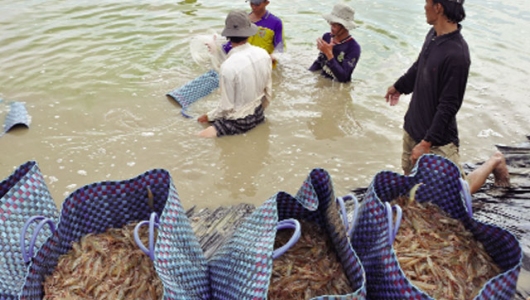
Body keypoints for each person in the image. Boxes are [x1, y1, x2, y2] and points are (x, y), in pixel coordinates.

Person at [384, 0, 509, 193]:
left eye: (427, 2)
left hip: (438, 140)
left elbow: (449, 105)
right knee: (411, 183)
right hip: (413, 126)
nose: (424, 6)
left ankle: (495, 161)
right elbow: (420, 67)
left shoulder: (457, 54)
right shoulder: (433, 34)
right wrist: (399, 86)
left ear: (438, 7)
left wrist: (427, 143)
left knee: (459, 192)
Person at [197, 10, 272, 138]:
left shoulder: (228, 67)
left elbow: (226, 108)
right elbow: (268, 92)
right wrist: (258, 113)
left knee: (197, 135)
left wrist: (207, 116)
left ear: (228, 36)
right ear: (249, 34)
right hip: (259, 115)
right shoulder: (263, 54)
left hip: (239, 122)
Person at [223, 0, 285, 67]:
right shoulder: (244, 20)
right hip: (244, 63)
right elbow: (234, 41)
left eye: (257, 4)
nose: (254, 7)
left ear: (266, 3)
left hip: (263, 64)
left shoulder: (276, 22)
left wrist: (273, 56)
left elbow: (279, 46)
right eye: (252, 3)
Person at [309, 3, 361, 83]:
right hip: (323, 80)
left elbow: (343, 77)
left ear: (345, 27)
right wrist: (308, 73)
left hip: (338, 87)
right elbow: (320, 61)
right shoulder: (327, 37)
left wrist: (329, 54)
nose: (331, 28)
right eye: (331, 23)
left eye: (335, 25)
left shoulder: (353, 48)